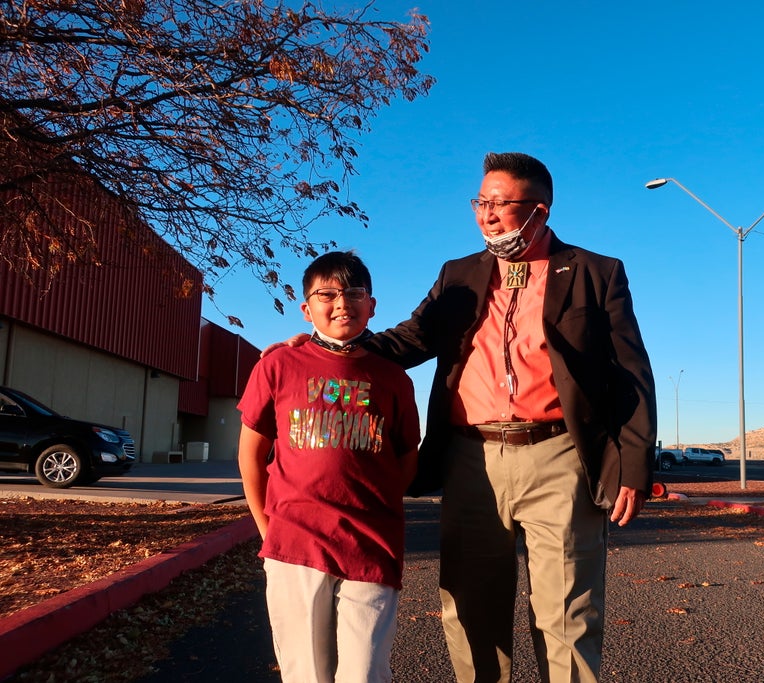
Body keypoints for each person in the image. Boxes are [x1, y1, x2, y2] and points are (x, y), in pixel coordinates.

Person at [273, 152, 656, 682]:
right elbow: (410, 339)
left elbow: (630, 373)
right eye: (480, 202)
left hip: (560, 456)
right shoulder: (460, 275)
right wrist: (327, 347)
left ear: (539, 211)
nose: (486, 215)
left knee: (568, 614)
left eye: (500, 203)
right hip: (471, 459)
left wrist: (634, 466)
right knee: (472, 610)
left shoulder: (595, 272)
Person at [238, 250, 420, 683]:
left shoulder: (393, 378)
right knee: (306, 672)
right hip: (296, 543)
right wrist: (266, 527)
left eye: (354, 294)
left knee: (365, 672)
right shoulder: (278, 366)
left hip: (371, 544)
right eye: (328, 294)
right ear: (306, 309)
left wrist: (375, 503)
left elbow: (406, 456)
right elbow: (251, 455)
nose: (342, 304)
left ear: (371, 305)